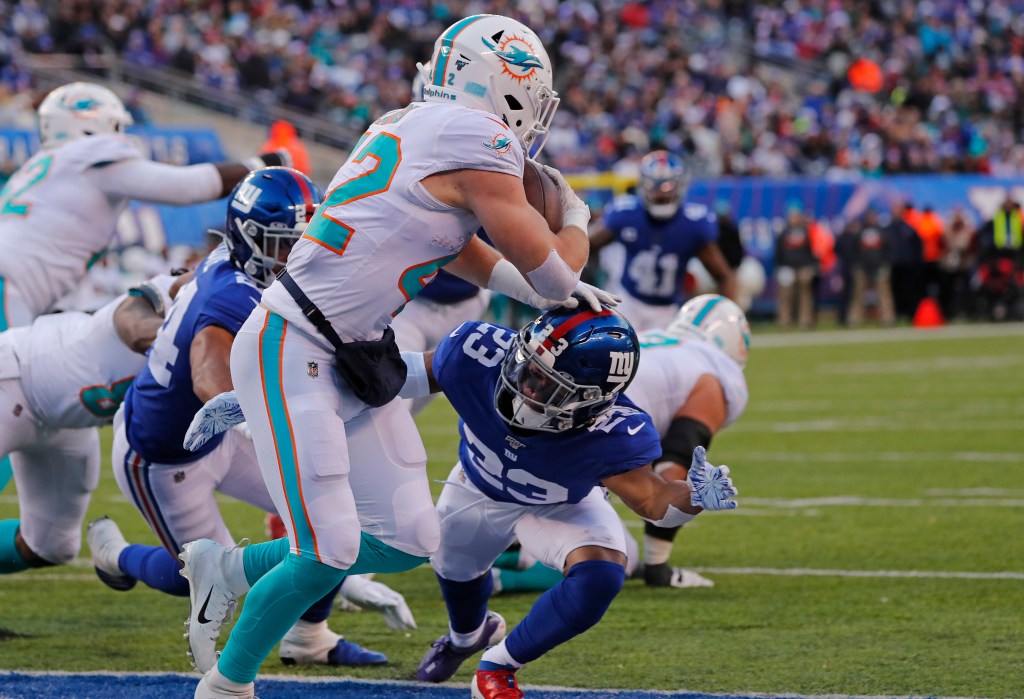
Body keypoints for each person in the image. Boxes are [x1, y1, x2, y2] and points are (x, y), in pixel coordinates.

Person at [182, 15, 614, 699]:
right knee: (327, 548)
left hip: (347, 348)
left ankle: (228, 568)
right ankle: (227, 685)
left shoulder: (411, 123)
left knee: (414, 534)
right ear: (507, 85)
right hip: (294, 342)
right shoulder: (479, 136)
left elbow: (453, 245)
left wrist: (541, 284)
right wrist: (579, 224)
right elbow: (552, 273)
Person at [90, 168, 403, 669]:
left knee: (336, 512)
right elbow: (209, 377)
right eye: (283, 245)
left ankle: (309, 637)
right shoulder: (233, 295)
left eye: (303, 241)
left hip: (221, 437)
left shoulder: (225, 264)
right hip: (165, 450)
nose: (296, 257)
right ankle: (115, 554)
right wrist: (272, 416)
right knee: (195, 576)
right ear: (250, 240)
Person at [405, 307, 738, 697]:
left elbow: (654, 502)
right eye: (529, 369)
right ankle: (465, 639)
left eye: (548, 385)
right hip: (475, 487)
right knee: (454, 574)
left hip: (559, 503)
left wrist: (693, 496)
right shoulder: (476, 353)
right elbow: (397, 375)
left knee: (603, 573)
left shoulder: (613, 430)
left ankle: (498, 666)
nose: (527, 387)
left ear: (590, 401)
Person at [0, 81, 288, 490]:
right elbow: (187, 187)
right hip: (8, 288)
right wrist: (269, 161)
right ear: (92, 126)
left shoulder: (43, 168)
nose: (122, 137)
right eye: (116, 127)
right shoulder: (91, 154)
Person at [488, 295, 751, 593]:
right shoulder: (713, 376)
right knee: (617, 556)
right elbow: (674, 464)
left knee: (547, 515)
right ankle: (498, 581)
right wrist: (658, 565)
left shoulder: (658, 340)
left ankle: (500, 549)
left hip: (542, 412)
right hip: (588, 429)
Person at [0, 270, 181, 575]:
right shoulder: (171, 296)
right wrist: (183, 348)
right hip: (15, 377)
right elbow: (133, 320)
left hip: (68, 422)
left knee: (51, 546)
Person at [590, 151, 736, 332]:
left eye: (667, 187)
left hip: (669, 311)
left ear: (681, 186)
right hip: (628, 302)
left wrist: (725, 320)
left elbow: (724, 276)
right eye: (654, 186)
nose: (660, 194)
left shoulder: (694, 224)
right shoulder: (625, 213)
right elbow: (586, 246)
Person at [845, 209, 895, 327]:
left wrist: (885, 263)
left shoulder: (882, 232)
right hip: (862, 267)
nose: (871, 219)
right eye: (869, 216)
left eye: (873, 216)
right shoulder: (859, 232)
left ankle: (888, 318)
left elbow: (889, 249)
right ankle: (854, 319)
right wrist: (857, 264)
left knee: (884, 294)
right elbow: (853, 249)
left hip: (879, 266)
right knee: (857, 294)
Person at [773, 206, 818, 329]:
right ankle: (784, 320)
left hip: (803, 267)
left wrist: (811, 266)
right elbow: (779, 252)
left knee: (805, 294)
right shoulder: (783, 232)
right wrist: (779, 267)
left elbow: (811, 250)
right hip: (787, 267)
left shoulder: (805, 231)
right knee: (785, 296)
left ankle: (805, 320)